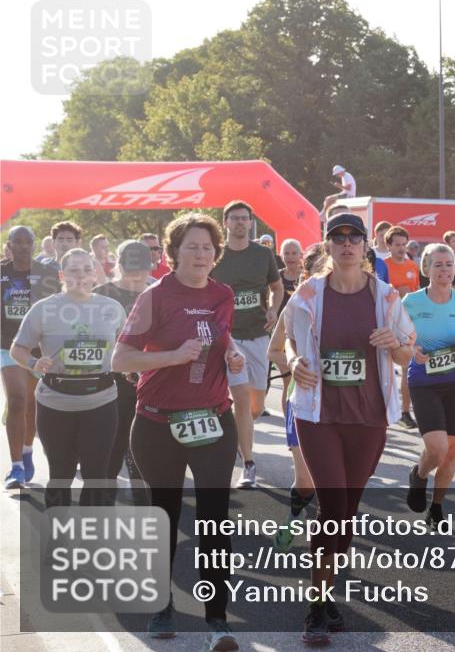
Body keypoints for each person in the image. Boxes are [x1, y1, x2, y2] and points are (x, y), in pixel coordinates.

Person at [112, 213, 245, 648]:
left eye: (208, 247)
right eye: (192, 246)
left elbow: (219, 337)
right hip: (157, 422)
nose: (201, 254)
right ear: (173, 253)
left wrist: (234, 355)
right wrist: (172, 357)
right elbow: (122, 360)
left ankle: (217, 618)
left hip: (213, 418)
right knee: (164, 518)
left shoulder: (223, 294)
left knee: (214, 520)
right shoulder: (155, 296)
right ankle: (161, 606)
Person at [284, 212, 414, 641]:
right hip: (317, 414)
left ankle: (327, 590)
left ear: (363, 247)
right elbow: (281, 341)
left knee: (348, 512)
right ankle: (316, 606)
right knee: (333, 508)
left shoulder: (386, 296)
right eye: (337, 238)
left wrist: (395, 344)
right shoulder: (307, 293)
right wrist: (293, 360)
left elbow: (407, 355)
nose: (345, 244)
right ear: (327, 246)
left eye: (353, 238)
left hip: (368, 418)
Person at [11, 248, 127, 508]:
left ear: (96, 274)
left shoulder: (112, 308)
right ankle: (58, 538)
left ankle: (90, 537)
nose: (82, 275)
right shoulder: (44, 309)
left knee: (96, 475)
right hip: (55, 403)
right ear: (62, 275)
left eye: (87, 269)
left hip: (101, 400)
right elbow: (17, 349)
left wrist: (128, 364)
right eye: (74, 270)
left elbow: (125, 346)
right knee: (60, 475)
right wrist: (34, 362)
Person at [404, 243, 455, 529]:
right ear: (426, 269)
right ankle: (420, 474)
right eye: (437, 265)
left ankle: (437, 506)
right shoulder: (411, 302)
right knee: (436, 449)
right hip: (424, 382)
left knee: (452, 451)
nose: (444, 270)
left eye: (449, 264)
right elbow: (401, 340)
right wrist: (411, 349)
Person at [210, 200, 283, 489]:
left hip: (258, 334)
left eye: (245, 219)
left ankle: (240, 429)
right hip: (227, 338)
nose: (240, 223)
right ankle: (248, 464)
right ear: (225, 222)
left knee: (255, 404)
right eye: (235, 218)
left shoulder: (263, 254)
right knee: (240, 398)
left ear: (250, 223)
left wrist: (274, 309)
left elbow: (276, 288)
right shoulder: (216, 256)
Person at [269, 243, 327, 553]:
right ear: (305, 275)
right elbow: (274, 350)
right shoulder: (295, 305)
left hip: (342, 406)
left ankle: (326, 542)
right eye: (318, 273)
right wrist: (293, 365)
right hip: (302, 403)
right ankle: (293, 519)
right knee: (306, 480)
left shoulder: (356, 305)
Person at [94, 241, 153, 501]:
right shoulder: (101, 294)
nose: (135, 276)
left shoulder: (156, 292)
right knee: (113, 443)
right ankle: (104, 498)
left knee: (143, 444)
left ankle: (143, 498)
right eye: (130, 269)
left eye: (139, 269)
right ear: (118, 264)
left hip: (150, 380)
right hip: (111, 381)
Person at [2, 227, 59, 488]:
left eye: (28, 242)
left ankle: (26, 451)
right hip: (7, 347)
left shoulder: (46, 274)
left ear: (34, 245)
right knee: (16, 400)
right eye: (18, 242)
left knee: (33, 406)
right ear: (10, 245)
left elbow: (59, 307)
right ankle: (15, 467)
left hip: (39, 349)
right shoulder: (2, 272)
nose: (24, 246)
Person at [384, 226, 421, 429]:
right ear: (388, 246)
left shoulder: (412, 266)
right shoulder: (383, 265)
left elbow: (415, 293)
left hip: (408, 321)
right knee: (384, 368)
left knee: (409, 368)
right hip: (387, 322)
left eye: (403, 244)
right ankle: (383, 408)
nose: (401, 248)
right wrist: (397, 291)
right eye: (396, 244)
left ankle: (405, 412)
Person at [277, 238, 303, 315]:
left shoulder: (307, 276)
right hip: (280, 323)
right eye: (286, 253)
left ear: (301, 255)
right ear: (281, 256)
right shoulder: (276, 276)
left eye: (294, 253)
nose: (290, 257)